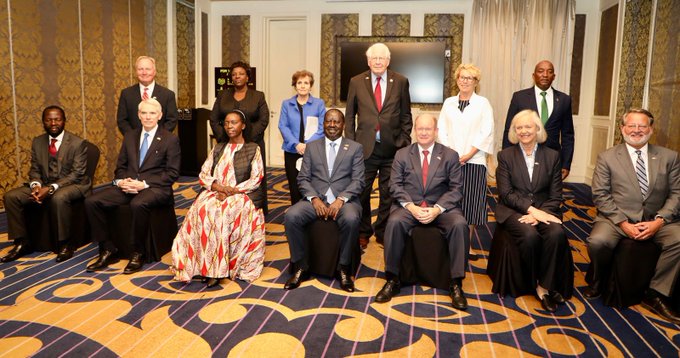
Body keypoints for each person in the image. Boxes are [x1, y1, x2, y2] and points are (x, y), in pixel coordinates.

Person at [586, 108, 680, 323]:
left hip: (657, 219)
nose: (637, 130)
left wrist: (659, 220)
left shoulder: (669, 157)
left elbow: (677, 193)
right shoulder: (607, 157)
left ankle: (656, 292)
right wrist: (622, 222)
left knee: (679, 240)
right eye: (632, 125)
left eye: (642, 126)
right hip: (616, 218)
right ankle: (598, 278)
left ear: (651, 129)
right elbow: (600, 194)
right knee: (598, 242)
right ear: (622, 128)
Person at [376, 114, 469, 310]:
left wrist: (437, 209)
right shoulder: (402, 154)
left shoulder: (450, 155)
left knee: (460, 225)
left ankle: (456, 283)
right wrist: (410, 206)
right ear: (414, 131)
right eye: (420, 129)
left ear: (436, 132)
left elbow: (456, 189)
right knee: (393, 223)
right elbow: (394, 185)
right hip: (410, 207)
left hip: (441, 208)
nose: (424, 132)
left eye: (428, 129)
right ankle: (392, 279)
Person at [85, 98, 181, 274]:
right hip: (128, 185)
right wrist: (121, 181)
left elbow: (172, 173)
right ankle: (107, 248)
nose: (148, 117)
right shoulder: (130, 136)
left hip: (155, 188)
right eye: (144, 113)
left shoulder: (170, 139)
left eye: (152, 113)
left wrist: (143, 184)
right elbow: (120, 167)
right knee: (92, 201)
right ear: (138, 115)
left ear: (159, 116)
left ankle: (138, 252)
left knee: (137, 204)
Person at [171, 110, 265, 288]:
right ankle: (202, 265)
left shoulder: (253, 148)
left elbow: (256, 178)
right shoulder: (218, 148)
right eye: (227, 123)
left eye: (234, 122)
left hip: (240, 194)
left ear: (243, 125)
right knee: (202, 210)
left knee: (222, 213)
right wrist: (218, 187)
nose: (230, 126)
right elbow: (204, 173)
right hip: (215, 190)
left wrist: (230, 191)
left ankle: (216, 270)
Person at [494, 110, 572, 313]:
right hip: (513, 210)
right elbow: (506, 193)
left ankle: (543, 287)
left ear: (538, 129)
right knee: (529, 236)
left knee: (556, 234)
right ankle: (528, 281)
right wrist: (531, 211)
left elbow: (556, 195)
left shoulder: (553, 156)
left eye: (528, 126)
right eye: (519, 127)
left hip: (545, 210)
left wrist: (540, 213)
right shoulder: (505, 156)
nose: (523, 131)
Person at [283, 109, 365, 292]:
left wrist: (341, 199)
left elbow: (359, 180)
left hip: (344, 201)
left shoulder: (355, 147)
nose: (332, 125)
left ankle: (343, 268)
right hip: (316, 199)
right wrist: (314, 199)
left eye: (336, 122)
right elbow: (303, 178)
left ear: (343, 125)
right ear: (323, 124)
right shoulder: (312, 147)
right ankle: (301, 266)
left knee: (351, 219)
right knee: (291, 217)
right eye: (329, 121)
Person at [344, 42, 412, 249]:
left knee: (389, 193)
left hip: (393, 149)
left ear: (388, 61)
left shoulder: (400, 81)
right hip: (363, 149)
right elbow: (349, 116)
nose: (378, 62)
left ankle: (382, 231)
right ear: (368, 61)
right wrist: (351, 145)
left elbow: (406, 114)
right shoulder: (356, 81)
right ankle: (363, 231)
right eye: (374, 58)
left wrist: (404, 142)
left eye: (382, 58)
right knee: (361, 191)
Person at [1, 106, 91, 263]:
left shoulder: (78, 143)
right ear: (43, 122)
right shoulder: (38, 142)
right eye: (49, 120)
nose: (53, 123)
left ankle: (65, 244)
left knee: (58, 197)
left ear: (64, 121)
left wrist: (50, 189)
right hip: (45, 184)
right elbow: (35, 170)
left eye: (57, 119)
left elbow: (77, 174)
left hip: (73, 184)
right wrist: (36, 185)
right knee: (11, 196)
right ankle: (22, 242)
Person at [437, 63, 494, 261]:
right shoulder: (449, 103)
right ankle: (447, 241)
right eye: (462, 77)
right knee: (449, 201)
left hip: (474, 160)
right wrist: (452, 153)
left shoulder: (483, 103)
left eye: (469, 78)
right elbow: (442, 129)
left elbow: (486, 131)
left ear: (476, 82)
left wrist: (468, 154)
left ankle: (466, 245)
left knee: (470, 204)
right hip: (450, 161)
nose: (464, 81)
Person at [210, 61, 270, 213]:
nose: (237, 77)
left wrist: (246, 139)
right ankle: (224, 198)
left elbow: (263, 120)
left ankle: (256, 206)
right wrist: (224, 137)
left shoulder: (258, 96)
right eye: (234, 74)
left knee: (253, 175)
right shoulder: (223, 95)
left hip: (252, 143)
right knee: (226, 172)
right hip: (227, 144)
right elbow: (214, 118)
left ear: (247, 77)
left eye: (241, 74)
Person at [502, 60, 574, 180]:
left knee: (549, 196)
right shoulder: (519, 97)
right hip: (523, 155)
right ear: (533, 75)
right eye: (540, 71)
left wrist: (566, 164)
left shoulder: (564, 100)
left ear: (554, 76)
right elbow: (509, 130)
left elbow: (568, 135)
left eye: (549, 72)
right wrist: (506, 160)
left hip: (552, 159)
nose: (545, 75)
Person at [277, 70, 326, 205]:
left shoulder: (319, 103)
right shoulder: (287, 104)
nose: (303, 86)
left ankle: (312, 212)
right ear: (295, 85)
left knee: (313, 183)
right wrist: (296, 144)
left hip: (313, 151)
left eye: (306, 83)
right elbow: (283, 126)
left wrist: (307, 145)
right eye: (299, 82)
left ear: (311, 86)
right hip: (292, 150)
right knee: (294, 184)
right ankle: (296, 213)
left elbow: (322, 127)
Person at [117, 56, 178, 135]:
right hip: (133, 144)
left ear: (154, 72)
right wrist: (133, 138)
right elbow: (122, 120)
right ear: (136, 72)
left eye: (148, 69)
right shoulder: (126, 94)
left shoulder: (168, 95)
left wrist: (157, 138)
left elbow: (171, 120)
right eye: (140, 69)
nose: (144, 72)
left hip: (160, 143)